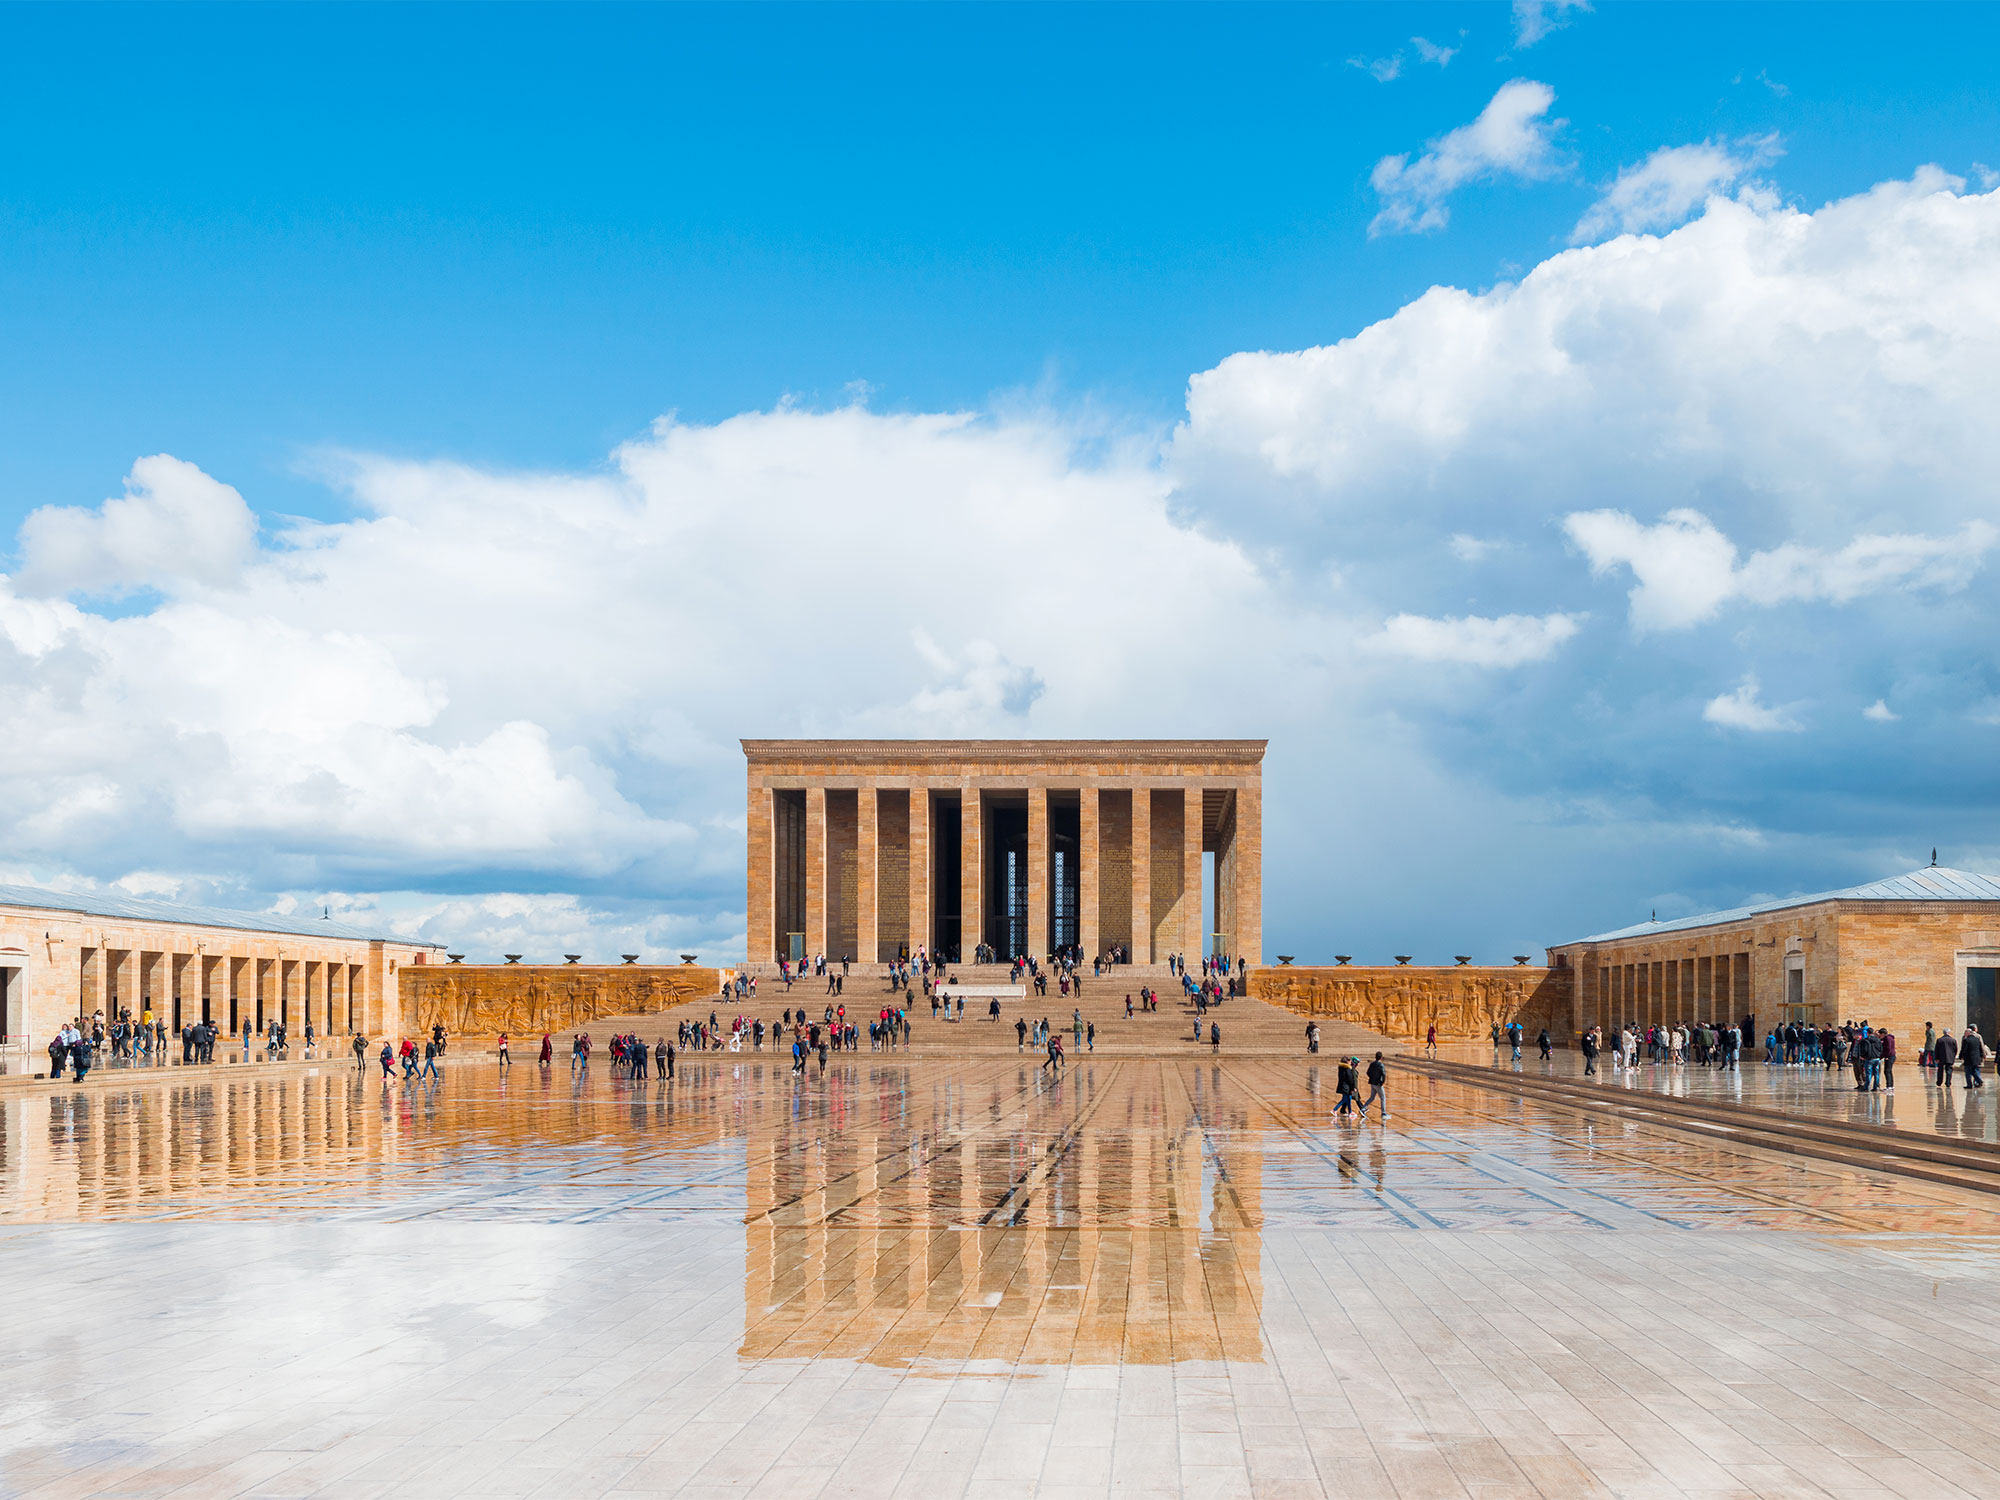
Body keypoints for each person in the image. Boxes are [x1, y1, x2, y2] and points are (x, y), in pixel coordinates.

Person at [1359, 1052, 1389, 1120]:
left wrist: (1372, 1078)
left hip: (1372, 1083)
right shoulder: (1381, 1065)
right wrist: (1382, 1082)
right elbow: (1383, 1074)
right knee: (1383, 1098)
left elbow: (1368, 1072)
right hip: (1378, 1084)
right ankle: (1383, 1113)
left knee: (1372, 1097)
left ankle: (1363, 1109)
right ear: (1381, 1057)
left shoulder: (1372, 1064)